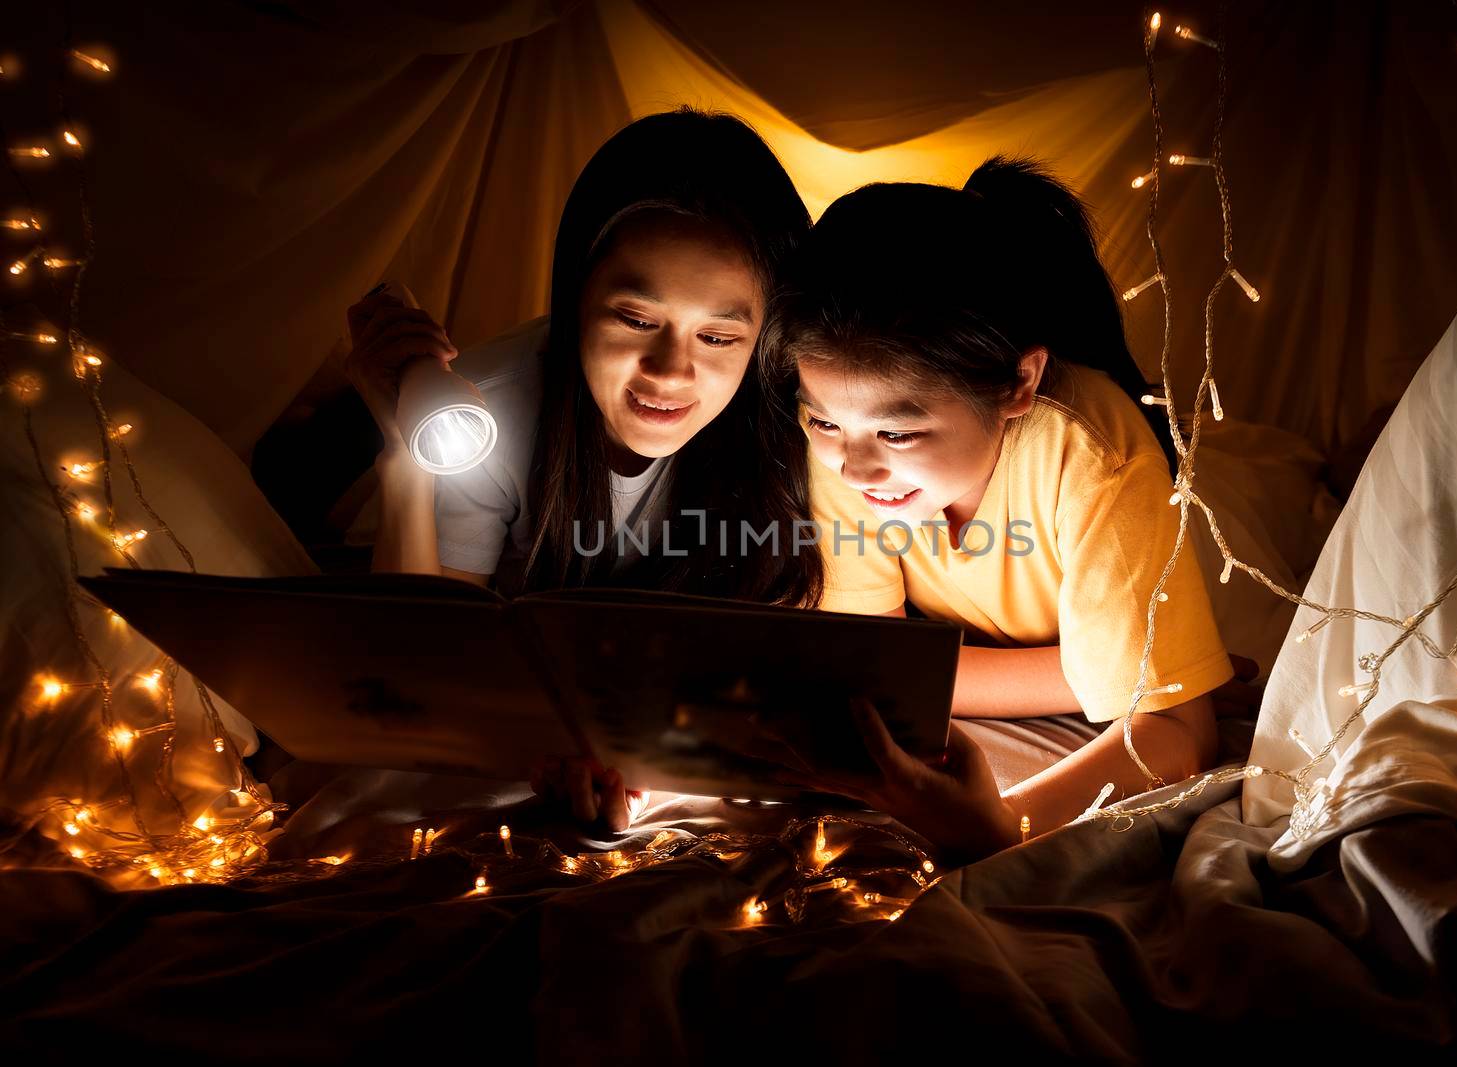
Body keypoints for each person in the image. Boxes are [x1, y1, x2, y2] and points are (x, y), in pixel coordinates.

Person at [343, 109, 823, 831]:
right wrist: (405, 458)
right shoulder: (487, 410)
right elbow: (421, 676)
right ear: (574, 300)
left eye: (719, 335)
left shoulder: (801, 421)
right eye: (634, 319)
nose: (671, 371)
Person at [760, 158, 1237, 863]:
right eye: (822, 421)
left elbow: (1174, 725)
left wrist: (1001, 821)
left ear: (1020, 381)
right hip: (1059, 646)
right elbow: (874, 668)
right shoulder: (846, 444)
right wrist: (1084, 669)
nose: (856, 467)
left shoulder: (1092, 457)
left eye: (899, 432)